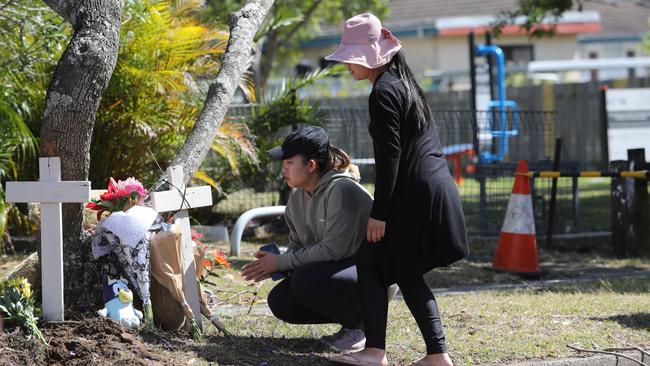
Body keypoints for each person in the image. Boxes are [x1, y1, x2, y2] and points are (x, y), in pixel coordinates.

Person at [324, 13, 470, 366]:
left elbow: (390, 159)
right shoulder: (401, 83)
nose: (346, 64)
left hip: (415, 194)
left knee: (378, 264)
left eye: (351, 56)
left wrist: (379, 214)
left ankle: (382, 352)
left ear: (371, 54)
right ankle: (432, 355)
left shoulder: (384, 91)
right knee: (388, 267)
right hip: (428, 189)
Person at [241, 126, 376, 353]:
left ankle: (361, 326)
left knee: (305, 279)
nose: (283, 170)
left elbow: (333, 250)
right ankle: (351, 323)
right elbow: (297, 242)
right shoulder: (298, 195)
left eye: (289, 164)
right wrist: (277, 263)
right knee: (281, 301)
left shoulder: (341, 189)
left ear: (311, 165)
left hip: (370, 276)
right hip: (336, 274)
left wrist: (282, 263)